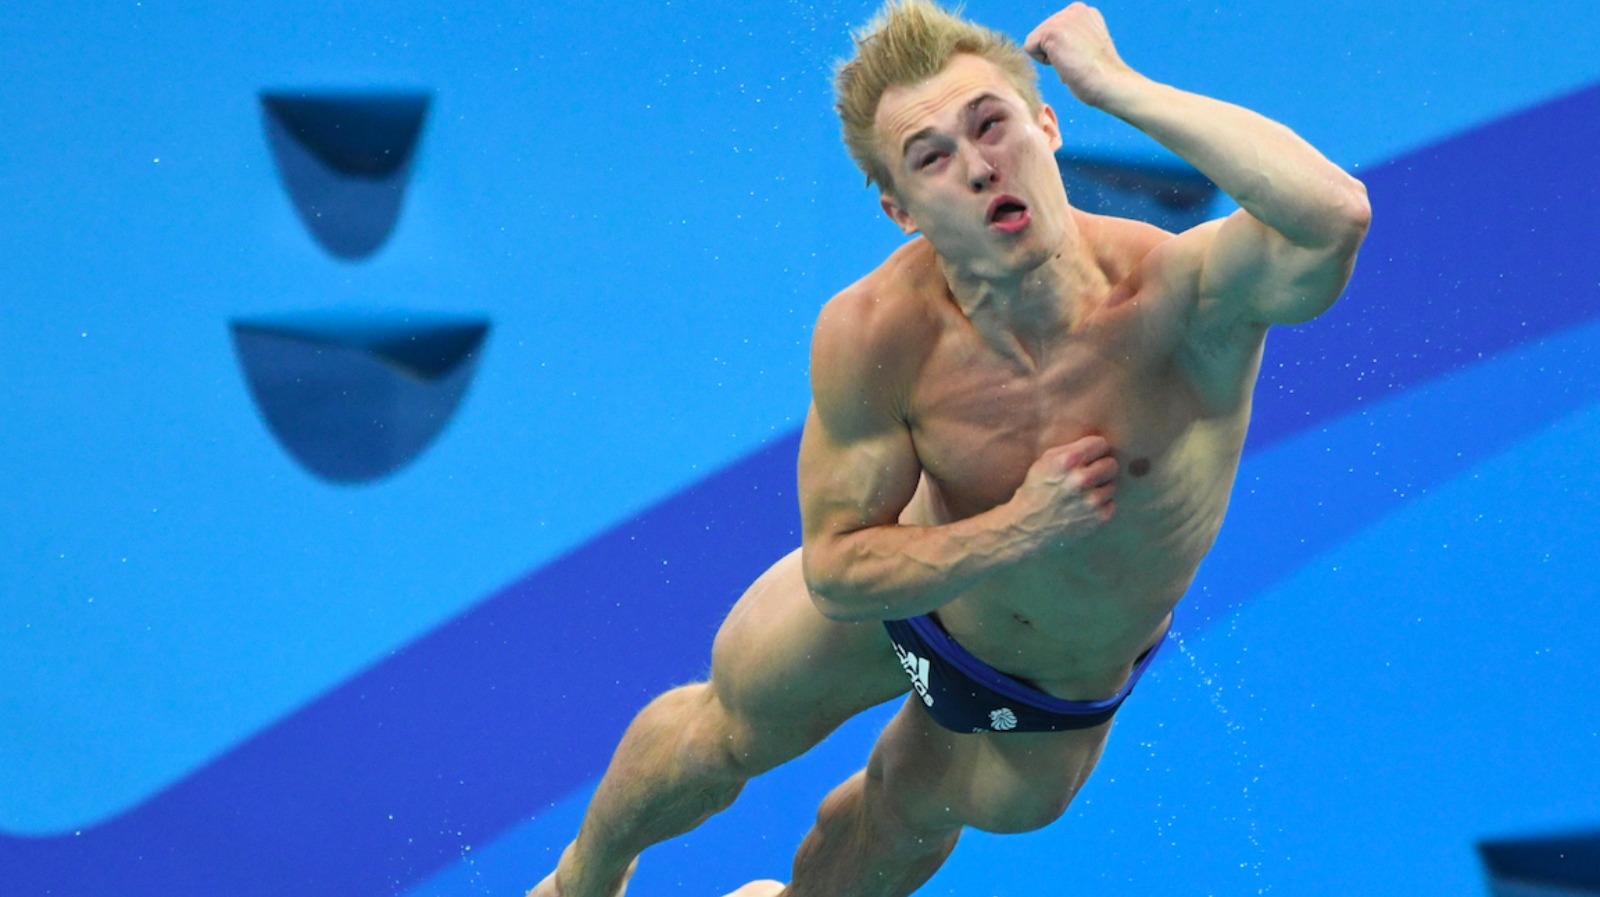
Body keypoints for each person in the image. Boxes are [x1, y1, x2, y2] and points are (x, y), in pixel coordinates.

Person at [530, 1, 1369, 895]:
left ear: (1048, 126)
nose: (977, 167)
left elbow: (1333, 216)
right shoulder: (877, 332)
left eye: (992, 124)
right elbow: (839, 571)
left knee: (898, 813)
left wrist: (1115, 86)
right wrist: (1019, 527)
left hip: (1043, 690)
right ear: (899, 208)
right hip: (915, 582)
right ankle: (577, 880)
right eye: (933, 157)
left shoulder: (1185, 302)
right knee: (727, 723)